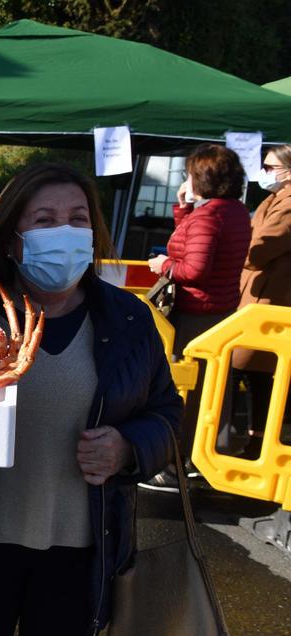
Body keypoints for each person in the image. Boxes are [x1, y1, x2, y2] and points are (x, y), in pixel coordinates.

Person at [0, 163, 183, 636]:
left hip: (78, 550)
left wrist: (127, 446)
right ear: (12, 238)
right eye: (45, 219)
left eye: (78, 218)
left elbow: (166, 412)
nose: (65, 232)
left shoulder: (126, 319)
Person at [145, 144, 250, 487]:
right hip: (220, 312)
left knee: (184, 392)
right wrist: (184, 208)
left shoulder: (209, 216)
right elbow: (195, 241)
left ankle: (178, 463)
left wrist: (164, 265)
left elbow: (194, 267)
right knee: (214, 391)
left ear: (202, 177)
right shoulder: (233, 211)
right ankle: (204, 460)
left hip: (194, 315)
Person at [232, 144, 291, 456]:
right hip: (259, 297)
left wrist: (231, 252)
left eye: (270, 167)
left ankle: (258, 443)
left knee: (251, 370)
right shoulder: (273, 199)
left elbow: (260, 249)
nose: (264, 173)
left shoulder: (289, 203)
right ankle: (257, 441)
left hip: (271, 301)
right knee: (257, 374)